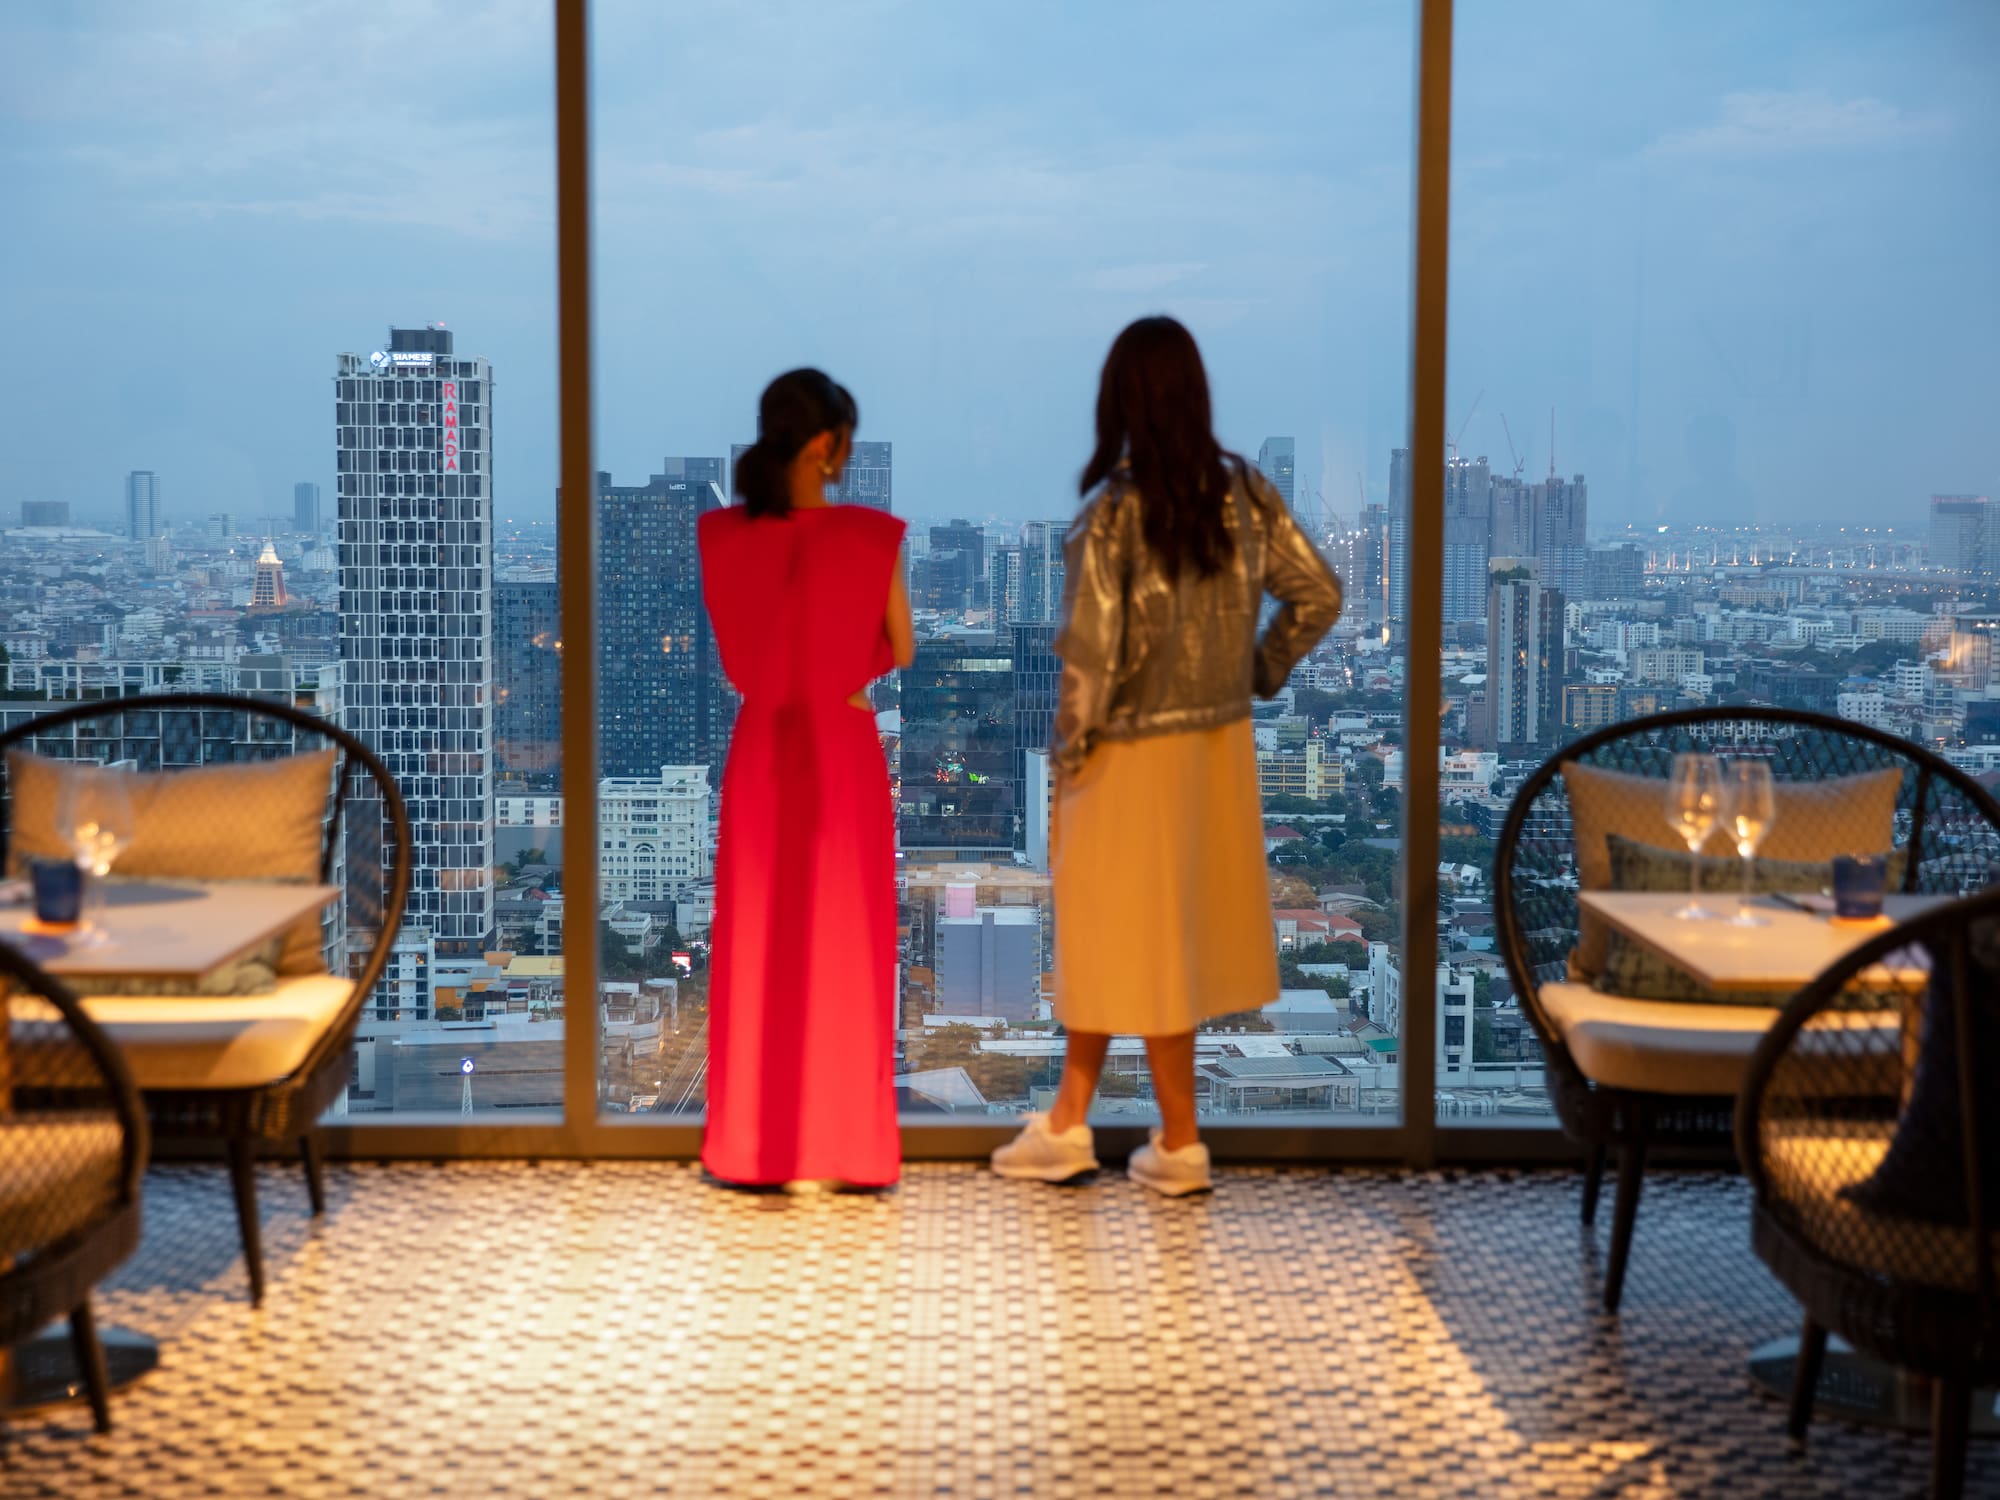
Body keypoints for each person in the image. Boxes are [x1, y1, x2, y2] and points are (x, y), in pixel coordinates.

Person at [991, 317, 1342, 1196]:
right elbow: (1320, 595)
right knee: (1166, 940)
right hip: (1216, 753)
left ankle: (1088, 1129)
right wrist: (1257, 670)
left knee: (1115, 936)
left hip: (1128, 759)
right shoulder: (1246, 494)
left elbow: (1090, 665)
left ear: (1119, 401)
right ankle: (1167, 1137)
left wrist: (1066, 762)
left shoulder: (1111, 515)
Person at [697, 368, 914, 1190]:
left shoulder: (723, 536)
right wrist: (849, 670)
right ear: (827, 444)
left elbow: (736, 660)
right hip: (843, 745)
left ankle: (756, 1148)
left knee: (759, 945)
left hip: (761, 750)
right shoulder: (870, 539)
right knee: (848, 945)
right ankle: (849, 1150)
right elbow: (903, 644)